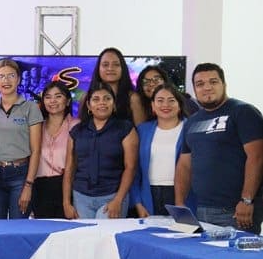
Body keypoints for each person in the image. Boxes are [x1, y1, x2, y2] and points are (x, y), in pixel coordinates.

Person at [175, 63, 263, 232]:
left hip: (236, 211)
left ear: (224, 84)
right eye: (200, 84)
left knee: (237, 251)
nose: (207, 87)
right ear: (194, 89)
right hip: (201, 209)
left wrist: (246, 200)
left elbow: (257, 157)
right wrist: (180, 203)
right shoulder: (192, 121)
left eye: (213, 82)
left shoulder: (243, 112)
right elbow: (184, 164)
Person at [64, 82, 138, 219]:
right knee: (84, 233)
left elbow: (131, 167)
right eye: (96, 99)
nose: (102, 103)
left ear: (114, 104)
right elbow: (69, 168)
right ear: (89, 105)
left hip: (112, 196)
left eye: (107, 98)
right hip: (81, 196)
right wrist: (66, 202)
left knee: (104, 232)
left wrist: (118, 200)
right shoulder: (77, 131)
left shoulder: (125, 128)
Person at [0, 59, 43, 219]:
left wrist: (28, 185)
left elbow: (36, 150)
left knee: (19, 227)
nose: (6, 80)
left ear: (18, 79)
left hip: (21, 175)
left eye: (11, 76)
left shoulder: (31, 107)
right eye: (1, 76)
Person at [130, 84, 193, 218]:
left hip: (183, 194)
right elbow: (135, 169)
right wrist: (138, 203)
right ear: (153, 106)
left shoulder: (191, 128)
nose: (165, 105)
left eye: (171, 100)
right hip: (149, 194)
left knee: (182, 230)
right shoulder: (142, 130)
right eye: (160, 100)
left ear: (179, 105)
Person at [31, 81, 80, 219]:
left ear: (68, 101)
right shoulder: (36, 127)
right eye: (48, 97)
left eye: (58, 96)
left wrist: (67, 201)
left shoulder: (76, 125)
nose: (52, 101)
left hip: (67, 186)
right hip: (40, 188)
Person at [89, 47, 145, 125]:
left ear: (123, 68)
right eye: (105, 65)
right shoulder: (86, 97)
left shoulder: (133, 98)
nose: (110, 68)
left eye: (116, 65)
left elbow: (141, 130)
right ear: (98, 68)